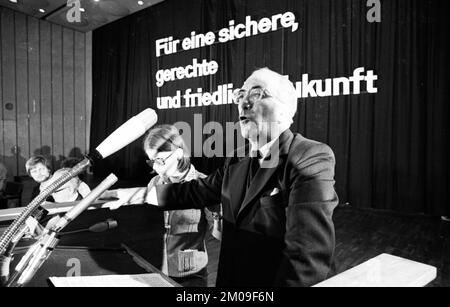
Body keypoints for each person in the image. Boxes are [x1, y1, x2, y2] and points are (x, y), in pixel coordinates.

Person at [144, 68, 339, 287]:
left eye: (257, 94)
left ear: (285, 111)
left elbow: (306, 257)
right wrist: (139, 194)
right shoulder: (237, 158)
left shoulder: (309, 156)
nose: (243, 103)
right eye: (240, 95)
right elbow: (197, 190)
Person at [102, 125, 221, 286]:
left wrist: (218, 214)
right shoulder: (155, 182)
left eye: (159, 160)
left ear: (179, 153)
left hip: (190, 274)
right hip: (154, 268)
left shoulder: (203, 185)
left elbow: (219, 236)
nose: (156, 168)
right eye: (151, 161)